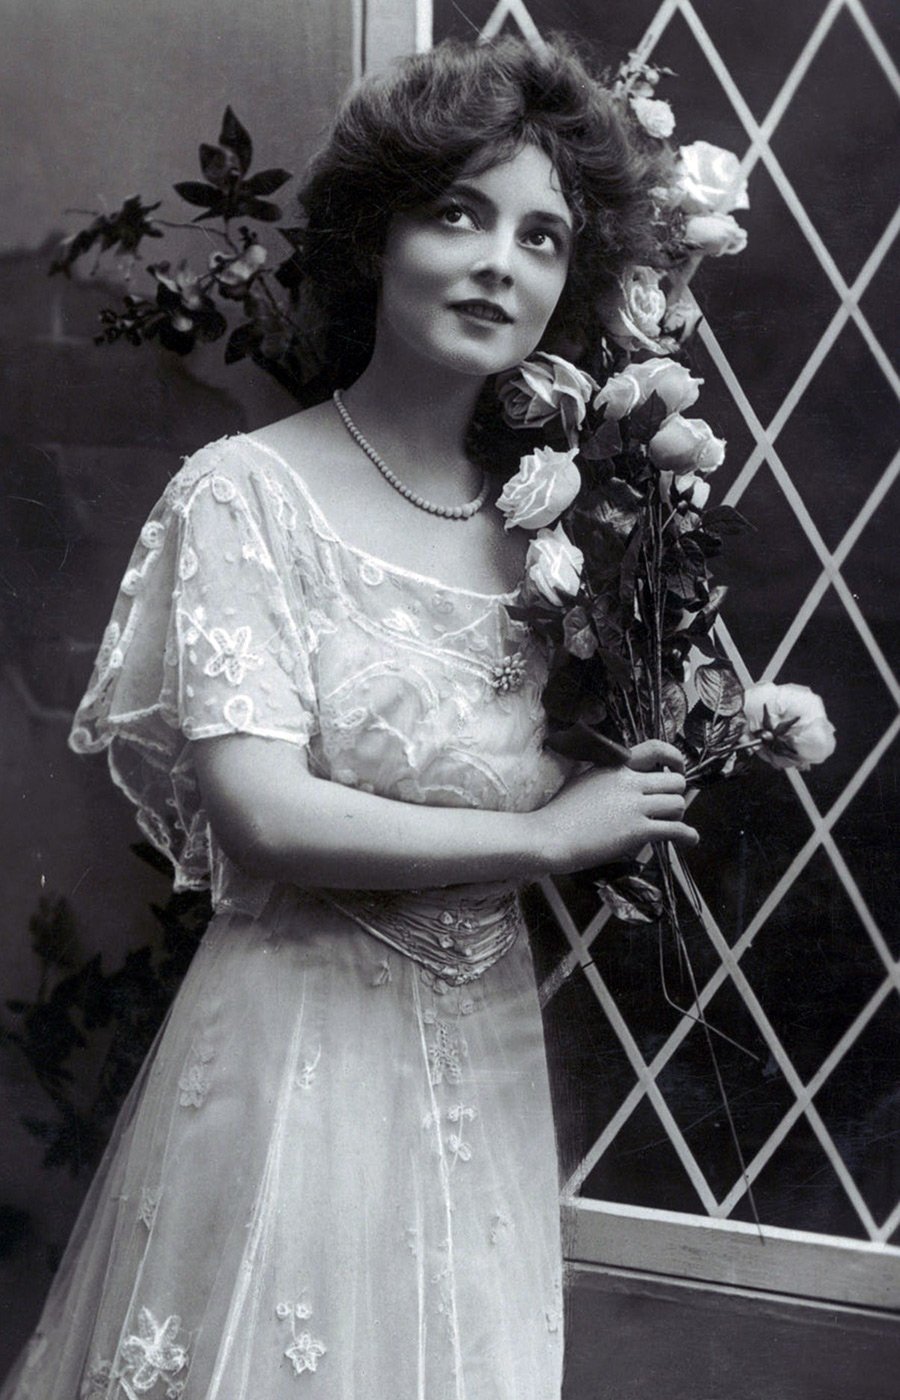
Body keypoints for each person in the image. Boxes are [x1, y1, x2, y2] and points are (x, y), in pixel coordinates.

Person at [3, 35, 696, 1400]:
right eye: (459, 214)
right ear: (378, 233)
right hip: (294, 1055)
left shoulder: (555, 535)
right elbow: (262, 815)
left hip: (482, 1065)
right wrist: (551, 839)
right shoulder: (247, 493)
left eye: (543, 237)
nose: (501, 264)